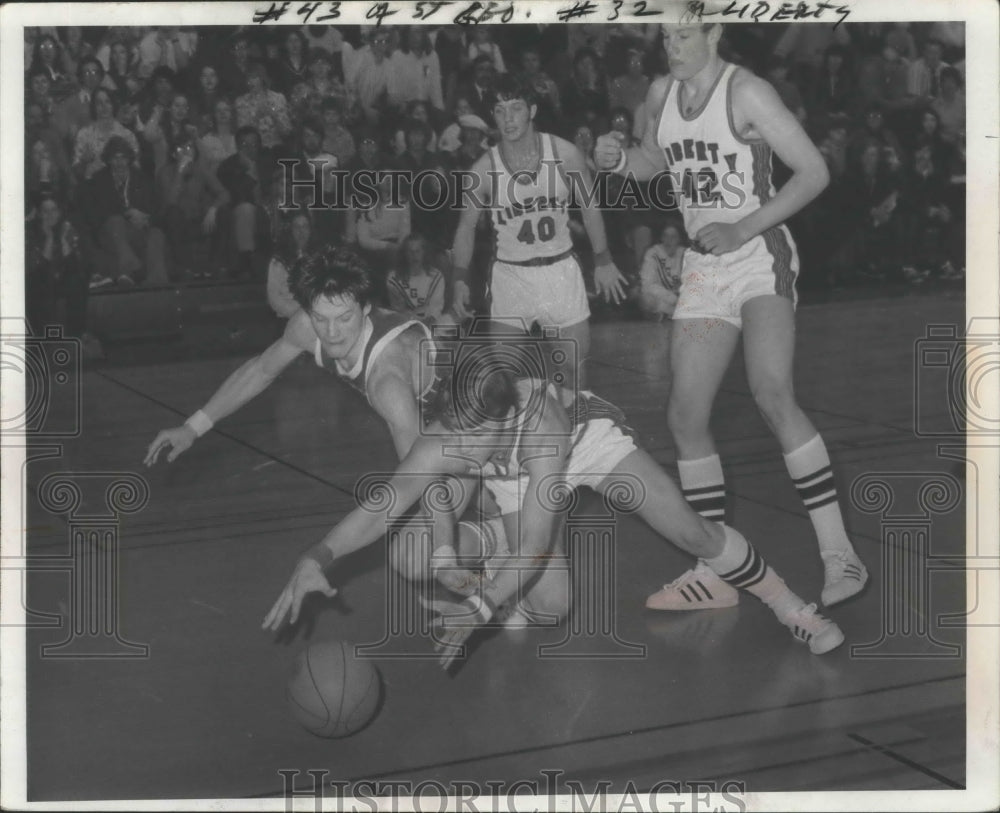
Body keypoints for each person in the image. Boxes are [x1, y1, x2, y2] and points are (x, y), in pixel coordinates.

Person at [262, 343, 846, 664]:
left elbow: (538, 542)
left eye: (474, 444)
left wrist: (482, 609)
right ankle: (492, 544)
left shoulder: (539, 423)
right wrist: (318, 554)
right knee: (551, 605)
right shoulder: (447, 433)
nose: (462, 456)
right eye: (455, 443)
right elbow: (384, 503)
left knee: (692, 533)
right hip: (521, 477)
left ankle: (790, 605)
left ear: (506, 413)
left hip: (582, 443)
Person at [594, 22, 867, 610]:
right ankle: (714, 571)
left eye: (685, 36)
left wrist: (743, 225)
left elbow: (814, 171)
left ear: (714, 31)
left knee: (772, 392)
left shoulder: (747, 92)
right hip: (705, 264)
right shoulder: (661, 94)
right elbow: (649, 161)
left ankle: (840, 552)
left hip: (757, 253)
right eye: (666, 37)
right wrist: (615, 161)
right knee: (685, 415)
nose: (673, 48)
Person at [144, 246, 467, 578]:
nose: (331, 333)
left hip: (470, 419)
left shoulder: (388, 382)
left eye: (344, 319)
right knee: (425, 542)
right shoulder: (305, 327)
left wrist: (444, 556)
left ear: (366, 308)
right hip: (429, 421)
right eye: (321, 318)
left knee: (417, 558)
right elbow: (259, 371)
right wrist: (193, 427)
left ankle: (497, 531)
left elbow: (421, 472)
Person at [450, 74, 627, 404]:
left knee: (573, 375)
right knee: (504, 379)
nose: (508, 119)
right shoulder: (482, 170)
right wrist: (459, 277)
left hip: (560, 272)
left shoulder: (565, 154)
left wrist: (603, 259)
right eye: (500, 111)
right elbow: (466, 228)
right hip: (511, 276)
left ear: (531, 110)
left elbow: (589, 209)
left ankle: (576, 447)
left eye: (516, 108)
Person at [387, 234, 446, 320]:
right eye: (410, 251)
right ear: (404, 254)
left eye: (418, 251)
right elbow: (398, 310)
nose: (414, 255)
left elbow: (436, 309)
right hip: (405, 323)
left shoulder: (436, 277)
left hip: (430, 322)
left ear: (424, 252)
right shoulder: (393, 278)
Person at [637, 221, 685, 321]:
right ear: (661, 238)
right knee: (645, 299)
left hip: (681, 299)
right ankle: (673, 313)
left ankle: (668, 314)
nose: (669, 240)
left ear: (679, 239)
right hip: (663, 299)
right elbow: (647, 285)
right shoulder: (652, 253)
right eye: (665, 236)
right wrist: (671, 298)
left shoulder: (685, 254)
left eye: (673, 237)